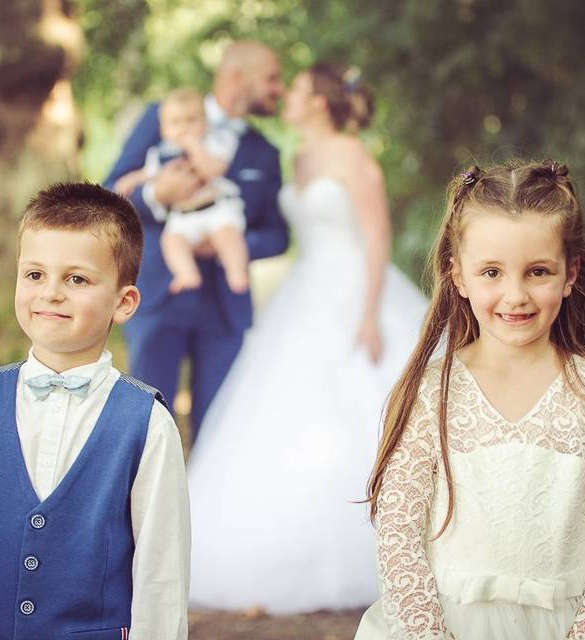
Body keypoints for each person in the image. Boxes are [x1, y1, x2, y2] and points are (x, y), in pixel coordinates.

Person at [355, 161, 585, 640]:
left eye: (538, 271)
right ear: (457, 276)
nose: (515, 294)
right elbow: (399, 536)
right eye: (492, 272)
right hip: (448, 625)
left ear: (570, 274)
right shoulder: (431, 392)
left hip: (574, 625)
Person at [186, 63, 428, 613]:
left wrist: (368, 314)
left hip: (354, 292)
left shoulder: (353, 155)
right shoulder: (295, 159)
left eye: (294, 90)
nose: (286, 97)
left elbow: (376, 236)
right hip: (304, 290)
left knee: (369, 405)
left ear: (319, 101)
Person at [0, 183, 190, 640]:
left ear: (123, 302)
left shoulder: (147, 424)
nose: (51, 293)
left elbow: (162, 578)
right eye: (35, 274)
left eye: (76, 279)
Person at [104, 41, 289, 437]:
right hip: (157, 296)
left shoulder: (265, 153)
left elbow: (277, 235)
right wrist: (157, 196)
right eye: (272, 78)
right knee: (147, 427)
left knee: (219, 431)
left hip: (225, 311)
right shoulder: (163, 116)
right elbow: (108, 194)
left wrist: (231, 246)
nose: (280, 89)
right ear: (237, 76)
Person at [113, 87, 250, 295]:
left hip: (215, 208)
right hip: (183, 216)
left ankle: (236, 272)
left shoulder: (213, 143)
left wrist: (194, 146)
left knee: (228, 236)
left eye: (191, 120)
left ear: (205, 124)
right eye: (176, 123)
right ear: (164, 130)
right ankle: (187, 274)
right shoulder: (160, 153)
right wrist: (129, 181)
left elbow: (213, 170)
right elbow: (148, 173)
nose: (184, 128)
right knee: (171, 241)